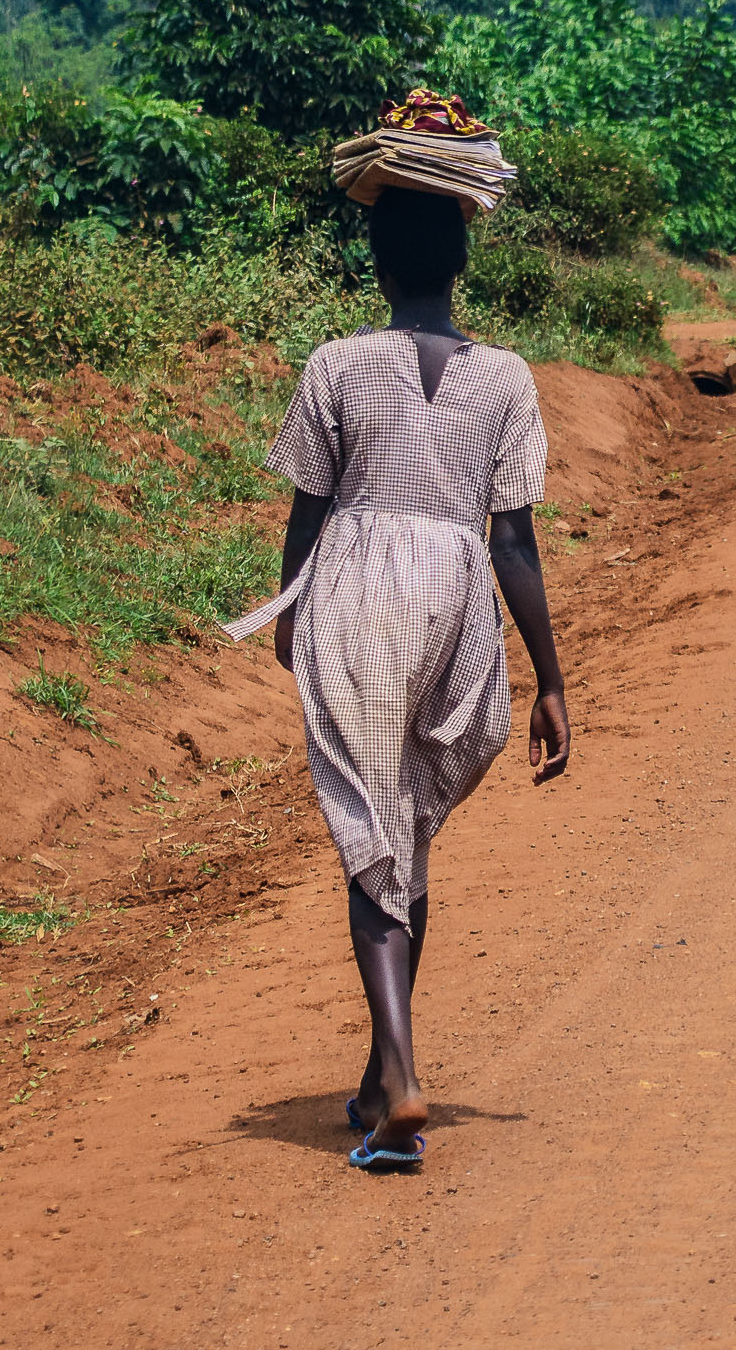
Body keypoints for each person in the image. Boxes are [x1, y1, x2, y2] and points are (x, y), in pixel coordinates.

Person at [225, 176, 568, 1172]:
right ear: (461, 263)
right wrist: (548, 675)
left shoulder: (336, 363)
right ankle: (381, 1075)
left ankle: (402, 1081)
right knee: (404, 829)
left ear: (376, 261)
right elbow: (514, 541)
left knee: (370, 834)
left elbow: (307, 510)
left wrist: (290, 609)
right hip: (455, 595)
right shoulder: (505, 377)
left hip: (358, 594)